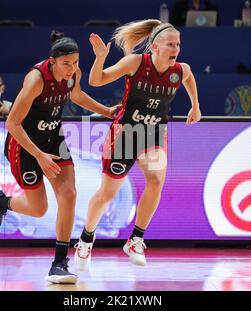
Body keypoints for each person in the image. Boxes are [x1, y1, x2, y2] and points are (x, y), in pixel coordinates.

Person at [0, 31, 119, 284]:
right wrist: (38, 155)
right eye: (66, 64)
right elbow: (13, 123)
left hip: (53, 139)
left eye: (76, 63)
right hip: (23, 145)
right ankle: (1, 202)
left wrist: (105, 111)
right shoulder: (36, 79)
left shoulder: (72, 75)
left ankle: (59, 264)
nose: (72, 69)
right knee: (39, 209)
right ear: (53, 61)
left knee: (69, 194)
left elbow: (77, 96)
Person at [74, 20, 201, 270]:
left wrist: (195, 105)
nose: (176, 48)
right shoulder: (135, 62)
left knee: (156, 180)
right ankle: (86, 239)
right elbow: (96, 80)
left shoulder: (180, 70)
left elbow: (189, 77)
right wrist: (101, 57)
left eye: (178, 44)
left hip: (154, 133)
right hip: (126, 132)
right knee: (108, 194)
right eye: (170, 44)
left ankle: (136, 239)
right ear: (154, 46)